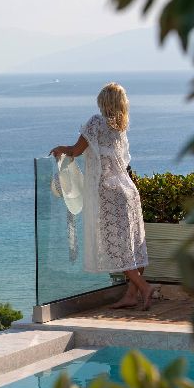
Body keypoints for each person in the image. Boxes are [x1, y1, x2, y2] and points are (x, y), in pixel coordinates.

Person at [50, 82, 152, 310]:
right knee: (133, 246)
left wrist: (60, 149)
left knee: (117, 248)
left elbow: (75, 151)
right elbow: (123, 161)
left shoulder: (96, 122)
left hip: (108, 193)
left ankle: (144, 288)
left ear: (103, 102)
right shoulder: (120, 129)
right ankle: (131, 295)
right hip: (128, 190)